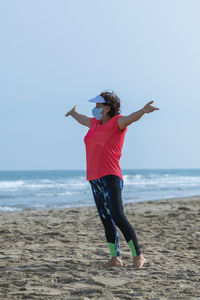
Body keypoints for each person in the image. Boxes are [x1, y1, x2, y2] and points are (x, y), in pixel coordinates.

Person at [65, 91, 159, 268]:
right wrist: (73, 113)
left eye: (97, 106)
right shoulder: (94, 123)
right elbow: (82, 118)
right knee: (105, 218)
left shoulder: (117, 122)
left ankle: (138, 256)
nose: (94, 109)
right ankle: (115, 258)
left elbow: (131, 118)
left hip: (111, 176)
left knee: (117, 215)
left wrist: (142, 111)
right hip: (94, 178)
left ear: (107, 107)